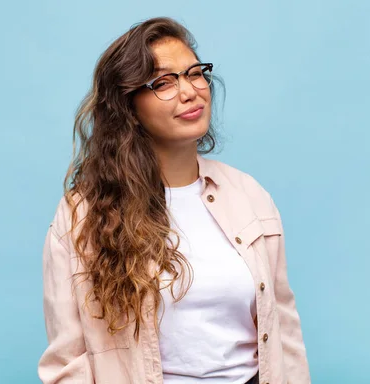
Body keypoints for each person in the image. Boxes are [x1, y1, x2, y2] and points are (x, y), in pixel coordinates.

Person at [38, 16, 310, 384]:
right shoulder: (83, 215)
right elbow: (67, 363)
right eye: (164, 82)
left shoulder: (249, 196)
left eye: (194, 73)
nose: (189, 91)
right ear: (128, 107)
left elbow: (284, 330)